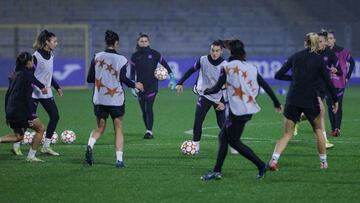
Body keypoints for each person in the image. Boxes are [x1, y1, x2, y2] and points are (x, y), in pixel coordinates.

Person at [200, 39, 282, 181]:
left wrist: (205, 91)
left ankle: (261, 165)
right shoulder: (251, 68)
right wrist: (276, 102)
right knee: (223, 137)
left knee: (234, 142)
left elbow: (216, 87)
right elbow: (266, 86)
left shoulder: (227, 67)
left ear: (231, 51)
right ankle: (217, 171)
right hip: (247, 109)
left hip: (237, 111)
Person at [269, 33, 339, 171]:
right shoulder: (319, 60)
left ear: (305, 43)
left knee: (287, 134)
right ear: (315, 44)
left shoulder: (295, 56)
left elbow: (278, 75)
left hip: (293, 99)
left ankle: (274, 160)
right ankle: (323, 162)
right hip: (310, 100)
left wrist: (294, 79)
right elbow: (328, 82)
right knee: (318, 129)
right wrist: (335, 100)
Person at [85, 30, 144, 168]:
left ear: (106, 42)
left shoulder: (97, 56)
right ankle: (119, 160)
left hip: (99, 99)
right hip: (115, 100)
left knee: (100, 128)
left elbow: (89, 79)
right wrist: (136, 84)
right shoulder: (122, 59)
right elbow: (123, 79)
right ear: (116, 43)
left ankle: (89, 145)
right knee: (118, 129)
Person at [12, 30, 63, 156]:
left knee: (55, 116)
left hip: (46, 92)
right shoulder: (36, 56)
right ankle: (16, 145)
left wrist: (57, 87)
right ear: (47, 42)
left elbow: (48, 76)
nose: (56, 43)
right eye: (54, 41)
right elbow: (30, 75)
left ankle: (46, 146)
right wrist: (40, 86)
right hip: (34, 92)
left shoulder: (51, 55)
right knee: (27, 120)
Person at [176, 40, 226, 153]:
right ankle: (196, 146)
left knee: (222, 123)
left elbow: (229, 86)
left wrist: (224, 102)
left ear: (221, 51)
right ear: (210, 50)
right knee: (198, 121)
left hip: (219, 97)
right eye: (213, 50)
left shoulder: (225, 65)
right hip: (205, 95)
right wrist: (180, 82)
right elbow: (191, 70)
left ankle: (232, 144)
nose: (214, 53)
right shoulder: (203, 59)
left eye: (217, 51)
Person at [0, 52, 46, 162]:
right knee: (40, 129)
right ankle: (31, 156)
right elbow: (27, 98)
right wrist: (30, 117)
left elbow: (8, 95)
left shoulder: (15, 75)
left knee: (19, 137)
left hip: (11, 110)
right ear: (28, 62)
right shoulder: (27, 76)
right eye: (32, 60)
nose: (33, 62)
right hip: (21, 111)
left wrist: (7, 114)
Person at [130, 33, 176, 139]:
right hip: (140, 86)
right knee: (143, 110)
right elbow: (132, 72)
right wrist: (133, 85)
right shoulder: (135, 56)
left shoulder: (155, 54)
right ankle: (148, 129)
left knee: (149, 108)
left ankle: (149, 131)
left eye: (146, 41)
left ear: (149, 42)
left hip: (152, 86)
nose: (144, 43)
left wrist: (172, 77)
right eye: (142, 41)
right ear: (138, 42)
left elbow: (166, 65)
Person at [326, 29, 355, 137]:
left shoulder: (343, 51)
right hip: (328, 83)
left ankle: (337, 128)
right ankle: (333, 128)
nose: (329, 40)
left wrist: (347, 77)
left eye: (331, 38)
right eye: (327, 38)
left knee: (338, 105)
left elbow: (352, 63)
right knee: (330, 106)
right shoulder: (323, 52)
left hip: (340, 83)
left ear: (334, 40)